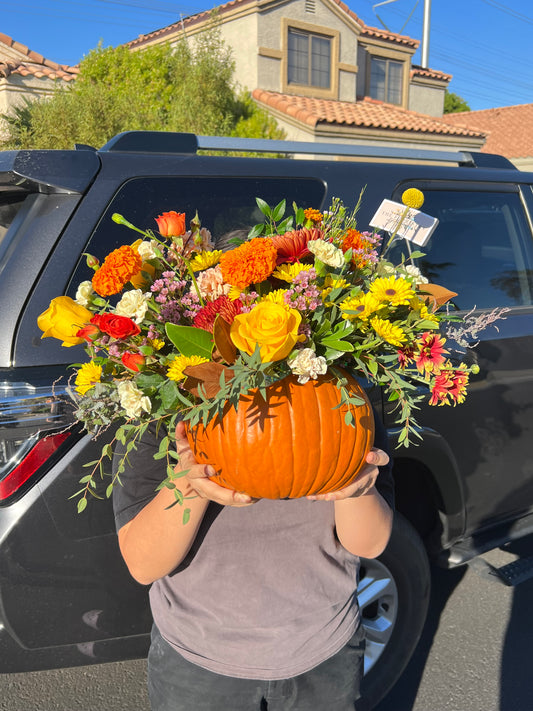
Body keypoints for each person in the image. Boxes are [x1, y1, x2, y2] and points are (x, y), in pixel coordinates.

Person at [112, 412, 394, 711]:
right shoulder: (160, 411)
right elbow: (143, 565)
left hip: (324, 651)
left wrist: (355, 482)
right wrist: (190, 480)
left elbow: (369, 544)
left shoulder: (343, 403)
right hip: (198, 664)